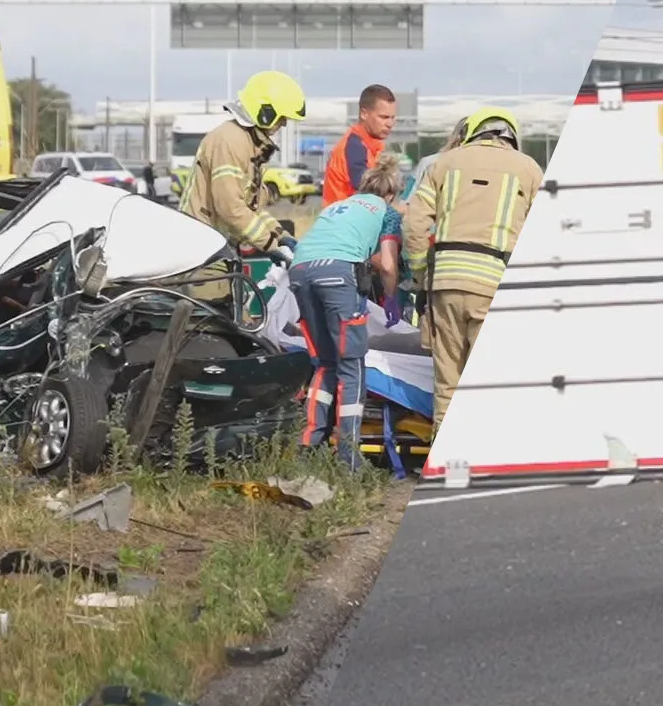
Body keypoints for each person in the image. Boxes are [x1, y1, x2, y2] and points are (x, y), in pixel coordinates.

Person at [404, 107, 545, 431]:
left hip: (446, 285)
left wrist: (421, 274)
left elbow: (413, 223)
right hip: (495, 283)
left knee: (447, 386)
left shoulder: (444, 163)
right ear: (511, 135)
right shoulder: (530, 169)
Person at [288, 154, 406, 466]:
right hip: (337, 276)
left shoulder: (338, 206)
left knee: (325, 363)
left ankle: (306, 448)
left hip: (300, 272)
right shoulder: (387, 212)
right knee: (351, 366)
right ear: (392, 193)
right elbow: (389, 265)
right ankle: (349, 461)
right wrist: (392, 300)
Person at [181, 70, 306, 297]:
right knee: (214, 326)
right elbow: (231, 208)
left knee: (237, 322)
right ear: (264, 112)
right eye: (282, 117)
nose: (284, 124)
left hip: (216, 249)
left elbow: (251, 208)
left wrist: (280, 235)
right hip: (202, 252)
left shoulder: (247, 143)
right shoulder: (230, 141)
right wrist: (271, 245)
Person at [322, 84, 399, 205]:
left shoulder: (367, 146)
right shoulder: (354, 148)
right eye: (384, 117)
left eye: (392, 118)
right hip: (344, 220)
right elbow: (371, 194)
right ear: (364, 114)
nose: (390, 123)